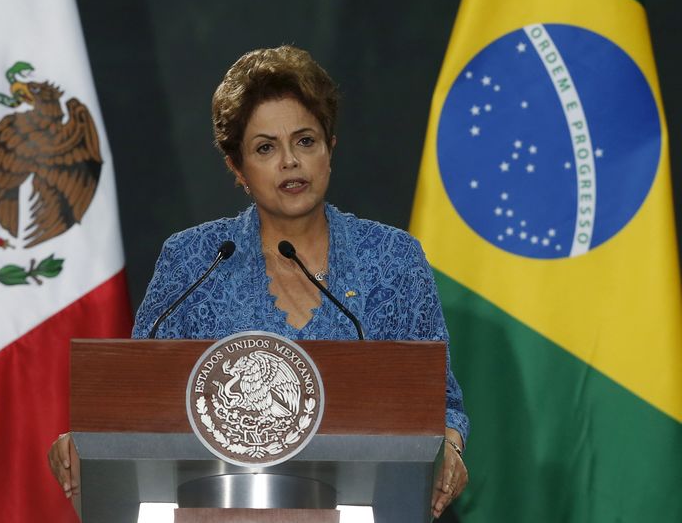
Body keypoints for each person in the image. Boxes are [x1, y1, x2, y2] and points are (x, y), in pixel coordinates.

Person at [48, 45, 469, 519]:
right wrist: (84, 440)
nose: (290, 161)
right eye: (266, 148)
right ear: (238, 168)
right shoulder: (193, 261)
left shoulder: (394, 260)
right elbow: (134, 403)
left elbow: (441, 406)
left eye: (305, 141)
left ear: (331, 148)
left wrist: (449, 448)